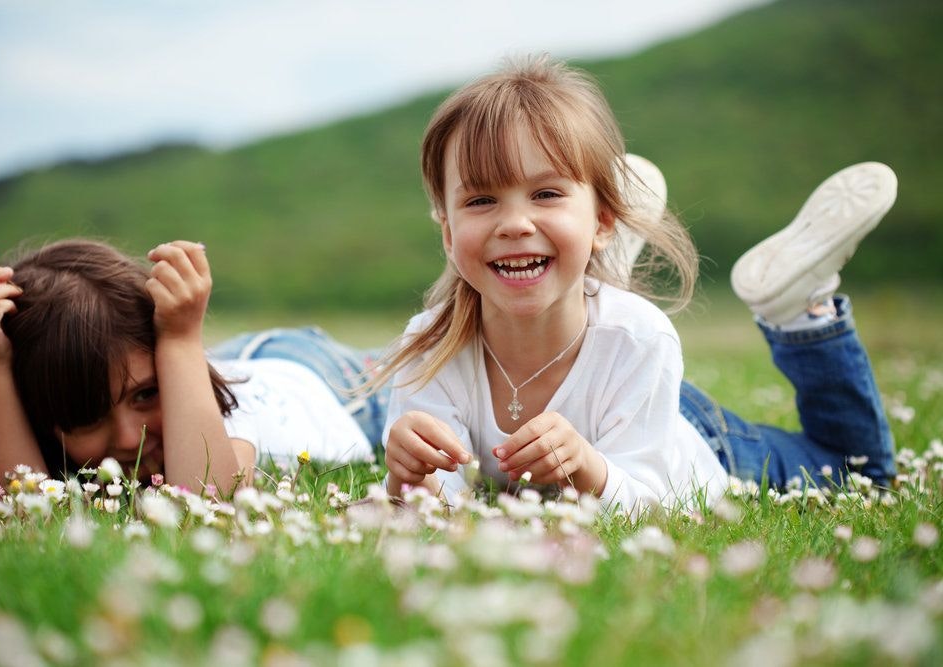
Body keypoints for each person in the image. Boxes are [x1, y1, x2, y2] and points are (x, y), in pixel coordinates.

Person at [375, 56, 897, 513]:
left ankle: (797, 308)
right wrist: (407, 479)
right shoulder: (431, 346)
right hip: (617, 374)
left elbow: (652, 499)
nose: (513, 223)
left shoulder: (643, 338)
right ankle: (587, 273)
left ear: (604, 220)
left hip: (689, 438)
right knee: (611, 341)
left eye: (548, 194)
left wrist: (588, 468)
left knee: (860, 474)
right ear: (448, 234)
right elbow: (433, 506)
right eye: (480, 201)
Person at [0, 239, 385, 494]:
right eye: (86, 416)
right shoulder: (140, 374)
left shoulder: (227, 419)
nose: (126, 439)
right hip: (232, 358)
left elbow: (204, 501)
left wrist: (179, 336)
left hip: (325, 382)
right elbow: (17, 506)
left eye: (145, 394)